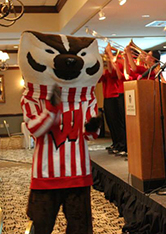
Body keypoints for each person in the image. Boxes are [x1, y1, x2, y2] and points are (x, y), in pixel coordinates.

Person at [18, 31, 103, 234]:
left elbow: (91, 135)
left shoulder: (87, 98)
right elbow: (34, 129)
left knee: (80, 228)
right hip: (45, 175)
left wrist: (93, 126)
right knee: (40, 226)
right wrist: (51, 109)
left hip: (79, 174)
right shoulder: (31, 98)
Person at [99, 44, 121, 154]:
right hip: (107, 97)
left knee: (116, 122)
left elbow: (112, 72)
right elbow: (100, 77)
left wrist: (109, 55)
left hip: (114, 96)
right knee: (110, 122)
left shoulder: (115, 68)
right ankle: (115, 142)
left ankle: (120, 144)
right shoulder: (106, 71)